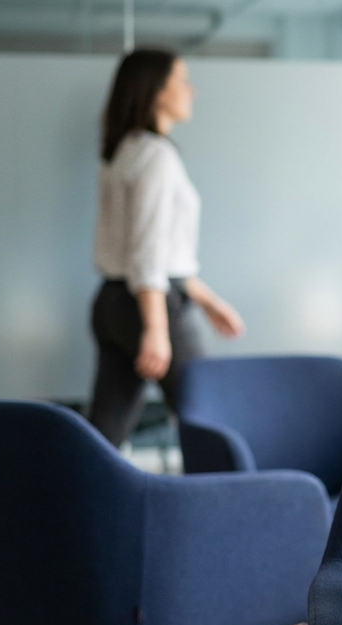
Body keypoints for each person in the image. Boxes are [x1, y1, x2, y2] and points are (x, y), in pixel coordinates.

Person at [89, 48, 243, 446]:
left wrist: (207, 301)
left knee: (104, 434)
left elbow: (153, 251)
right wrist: (156, 328)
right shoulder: (156, 157)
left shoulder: (125, 150)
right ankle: (221, 508)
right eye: (181, 80)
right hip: (148, 303)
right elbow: (149, 253)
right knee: (208, 419)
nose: (191, 91)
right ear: (156, 91)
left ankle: (71, 505)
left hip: (112, 302)